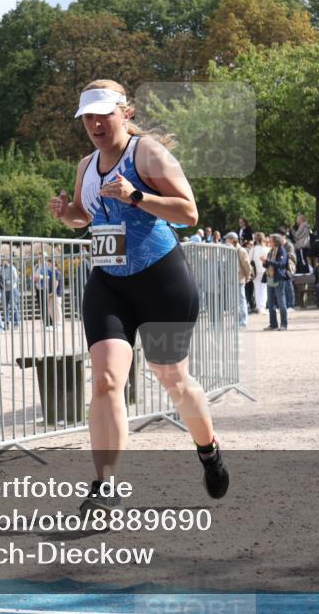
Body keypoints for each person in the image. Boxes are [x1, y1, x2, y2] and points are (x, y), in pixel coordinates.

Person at [48, 79, 229, 509]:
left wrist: (138, 196)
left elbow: (189, 213)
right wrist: (66, 214)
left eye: (103, 114)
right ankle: (105, 485)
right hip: (109, 283)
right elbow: (83, 216)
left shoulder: (146, 153)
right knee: (107, 380)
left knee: (173, 379)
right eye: (87, 117)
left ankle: (209, 450)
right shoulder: (85, 166)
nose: (95, 123)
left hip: (160, 281)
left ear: (124, 113)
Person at [262, 233, 289, 331]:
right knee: (270, 303)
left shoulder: (282, 251)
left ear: (276, 241)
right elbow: (268, 265)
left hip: (278, 279)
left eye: (270, 240)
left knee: (281, 303)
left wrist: (268, 261)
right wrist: (264, 263)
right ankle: (273, 324)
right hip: (270, 278)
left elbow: (281, 264)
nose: (268, 241)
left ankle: (284, 325)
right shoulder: (271, 251)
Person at [225, 232, 251, 327]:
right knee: (235, 301)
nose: (225, 241)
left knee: (241, 300)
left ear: (232, 240)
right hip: (232, 278)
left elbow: (246, 264)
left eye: (227, 239)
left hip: (239, 278)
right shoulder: (231, 249)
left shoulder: (241, 250)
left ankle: (243, 321)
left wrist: (248, 275)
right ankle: (237, 321)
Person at [251, 232, 270, 315]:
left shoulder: (253, 249)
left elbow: (249, 260)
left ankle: (259, 307)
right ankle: (262, 307)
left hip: (255, 271)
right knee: (264, 288)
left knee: (257, 289)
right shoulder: (267, 249)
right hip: (265, 270)